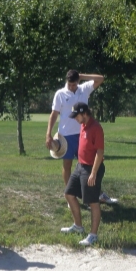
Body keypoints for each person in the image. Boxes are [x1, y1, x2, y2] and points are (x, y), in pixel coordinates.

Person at [45, 69, 113, 203]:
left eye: (74, 84)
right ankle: (70, 196)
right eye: (70, 84)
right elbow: (54, 114)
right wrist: (48, 133)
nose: (72, 87)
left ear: (78, 81)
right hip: (66, 135)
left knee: (89, 164)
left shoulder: (84, 89)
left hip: (84, 133)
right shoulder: (60, 94)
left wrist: (82, 76)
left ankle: (97, 193)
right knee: (67, 165)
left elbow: (101, 78)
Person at [60, 102, 105, 246]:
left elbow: (100, 152)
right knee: (69, 194)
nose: (75, 119)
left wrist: (93, 173)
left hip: (91, 168)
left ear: (84, 113)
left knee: (92, 202)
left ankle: (93, 235)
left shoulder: (96, 128)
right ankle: (78, 226)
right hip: (80, 166)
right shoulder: (83, 125)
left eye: (76, 116)